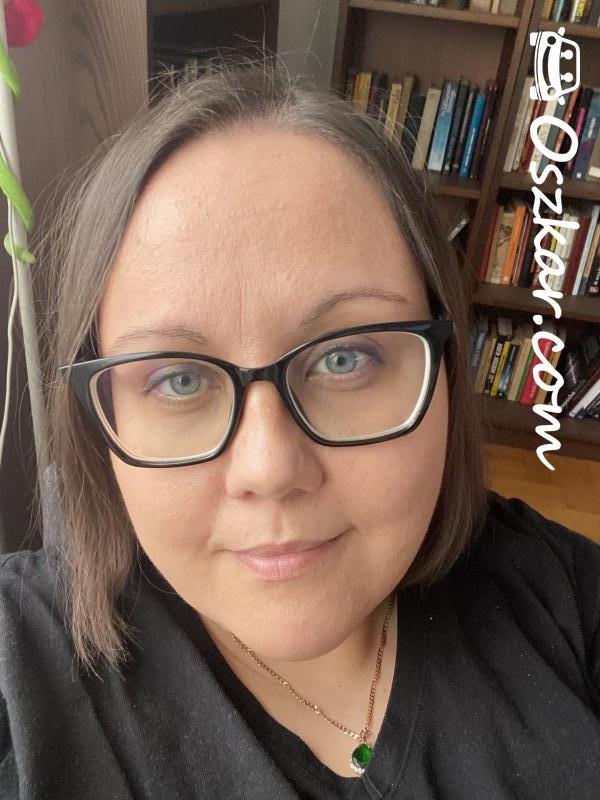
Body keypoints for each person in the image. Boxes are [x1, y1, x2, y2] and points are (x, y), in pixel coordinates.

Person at [1, 54, 599, 800]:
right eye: (178, 379)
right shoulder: (18, 671)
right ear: (101, 423)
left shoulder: (566, 603)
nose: (269, 468)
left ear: (446, 368)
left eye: (345, 358)